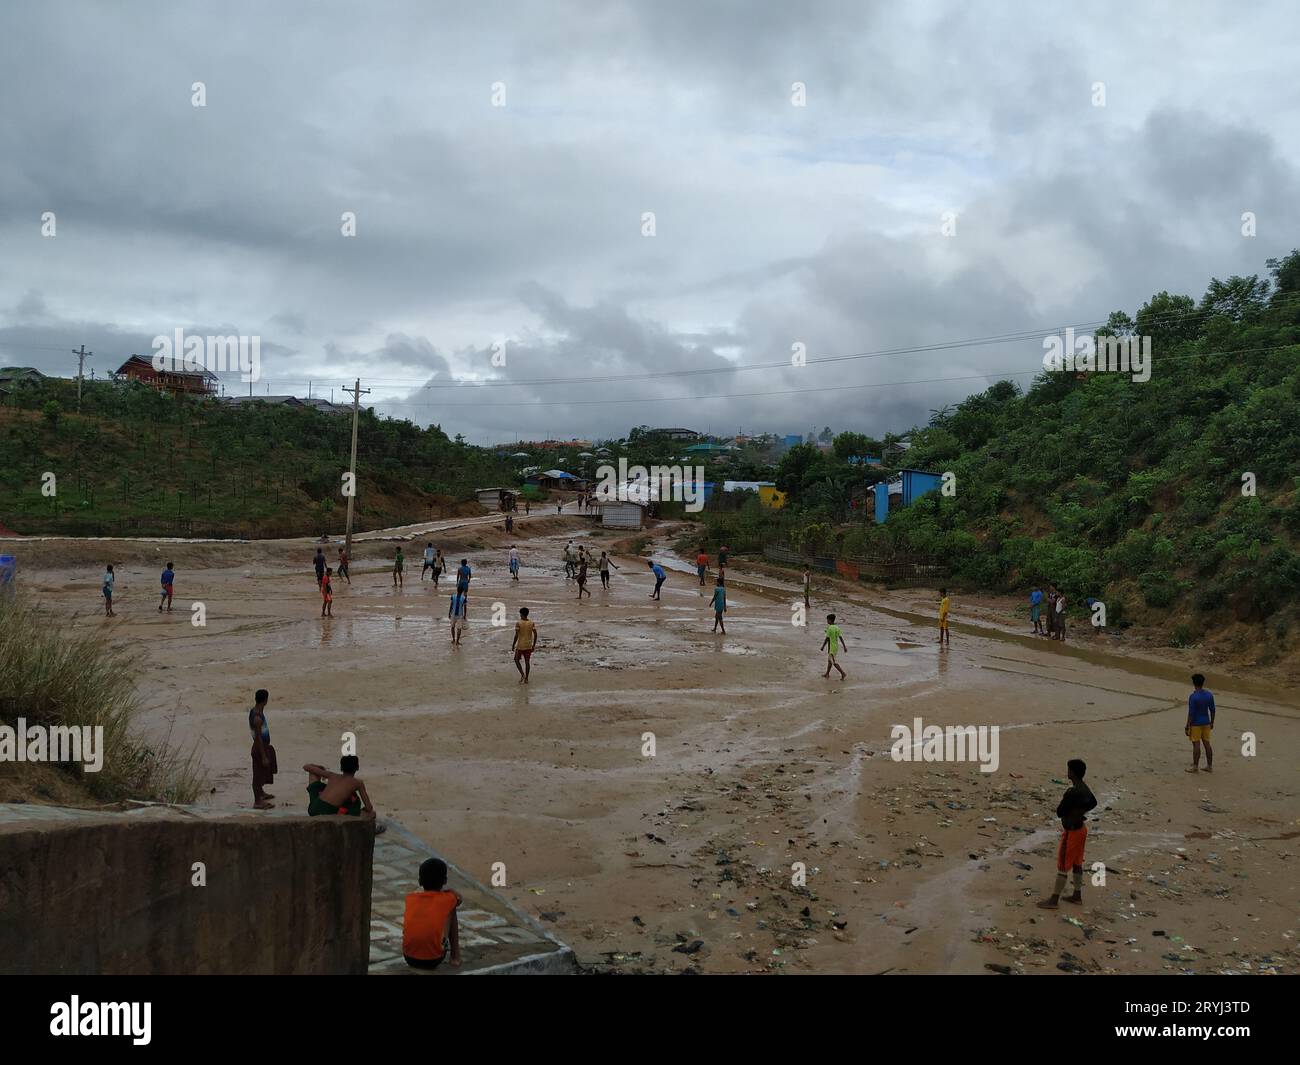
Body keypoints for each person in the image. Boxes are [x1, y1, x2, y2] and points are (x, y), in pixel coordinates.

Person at [1037, 758, 1097, 909]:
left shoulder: (1072, 792)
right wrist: (1080, 811)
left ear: (1072, 772)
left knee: (1063, 865)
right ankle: (1077, 895)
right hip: (1081, 829)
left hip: (1072, 831)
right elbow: (1093, 803)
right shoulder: (1084, 788)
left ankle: (1054, 900)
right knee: (1077, 863)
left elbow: (1060, 812)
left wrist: (1073, 812)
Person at [402, 858, 463, 970]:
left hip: (408, 956)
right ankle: (455, 956)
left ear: (420, 881)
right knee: (451, 910)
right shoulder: (448, 899)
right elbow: (459, 898)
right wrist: (450, 890)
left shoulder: (410, 898)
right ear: (444, 881)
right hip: (434, 958)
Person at [303, 756, 376, 819]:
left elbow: (306, 767)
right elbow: (369, 808)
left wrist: (319, 767)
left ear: (341, 768)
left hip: (313, 808)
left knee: (313, 773)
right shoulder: (358, 783)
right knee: (371, 814)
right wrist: (361, 810)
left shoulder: (332, 775)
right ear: (357, 767)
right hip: (327, 812)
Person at [249, 688, 277, 810]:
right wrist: (264, 756)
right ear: (265, 700)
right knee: (257, 776)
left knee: (260, 773)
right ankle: (257, 802)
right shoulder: (257, 718)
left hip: (261, 747)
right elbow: (259, 738)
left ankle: (261, 794)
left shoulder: (255, 711)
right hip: (259, 748)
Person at [1186, 673, 1216, 773]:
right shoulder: (1209, 695)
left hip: (1196, 723)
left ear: (1194, 683)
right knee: (1207, 744)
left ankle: (1195, 766)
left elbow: (1191, 713)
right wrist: (1212, 722)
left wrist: (1187, 725)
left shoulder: (1193, 697)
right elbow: (1212, 710)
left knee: (1196, 745)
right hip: (1206, 722)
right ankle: (1209, 766)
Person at [512, 606, 538, 683]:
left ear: (521, 614)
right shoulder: (531, 623)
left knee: (516, 660)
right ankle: (526, 678)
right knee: (527, 662)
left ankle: (522, 674)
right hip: (529, 645)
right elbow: (535, 634)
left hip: (520, 645)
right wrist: (534, 645)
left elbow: (516, 635)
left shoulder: (518, 623)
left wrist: (513, 645)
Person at [821, 612, 847, 679]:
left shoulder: (829, 628)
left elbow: (827, 638)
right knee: (829, 661)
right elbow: (840, 637)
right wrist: (844, 646)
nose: (827, 621)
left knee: (834, 662)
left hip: (832, 648)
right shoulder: (837, 628)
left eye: (827, 620)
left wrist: (823, 646)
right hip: (835, 647)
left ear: (830, 620)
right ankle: (827, 674)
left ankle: (843, 673)